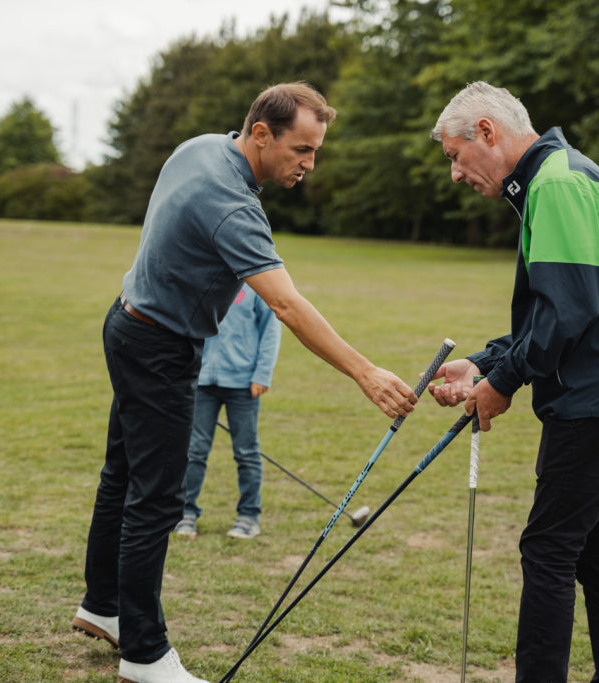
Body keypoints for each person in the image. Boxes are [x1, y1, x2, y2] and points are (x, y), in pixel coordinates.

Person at [70, 82, 417, 683]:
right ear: (262, 134)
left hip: (126, 320)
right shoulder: (234, 205)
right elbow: (287, 305)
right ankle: (144, 655)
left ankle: (103, 607)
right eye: (302, 149)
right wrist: (365, 371)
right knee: (156, 499)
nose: (310, 163)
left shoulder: (200, 147)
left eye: (316, 150)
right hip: (160, 347)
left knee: (122, 476)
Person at [427, 82, 599, 683]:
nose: (454, 174)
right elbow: (557, 311)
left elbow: (568, 312)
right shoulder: (556, 177)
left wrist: (501, 382)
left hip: (596, 403)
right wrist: (485, 362)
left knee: (551, 552)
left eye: (454, 156)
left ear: (486, 131)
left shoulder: (555, 181)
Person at [175, 282, 281, 540]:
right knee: (194, 450)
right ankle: (185, 513)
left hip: (244, 384)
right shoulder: (204, 278)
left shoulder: (256, 284)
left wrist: (262, 374)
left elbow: (271, 329)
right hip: (202, 381)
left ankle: (248, 516)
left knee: (246, 452)